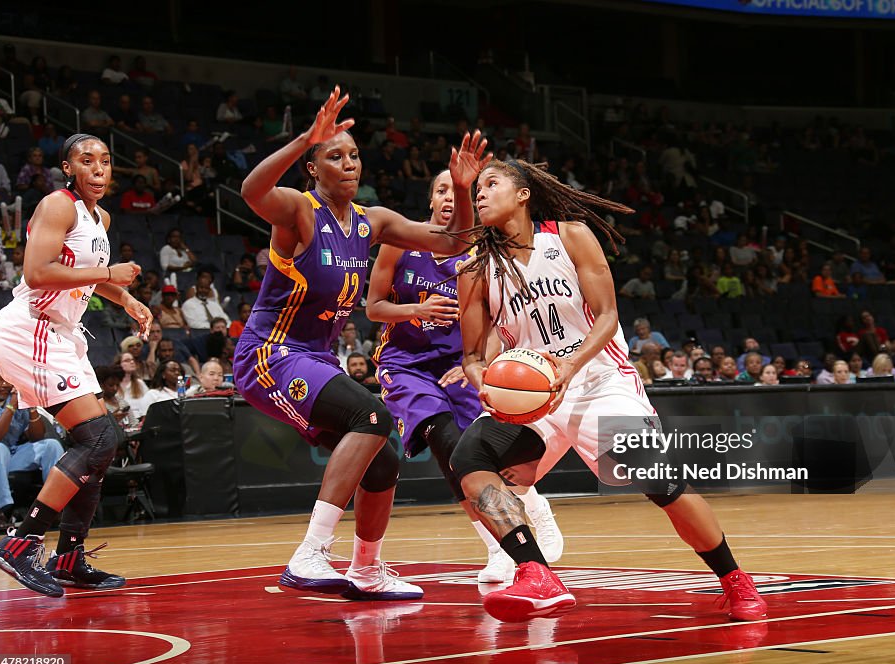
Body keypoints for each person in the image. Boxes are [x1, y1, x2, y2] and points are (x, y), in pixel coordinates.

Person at [449, 157, 767, 623]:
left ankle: (735, 580)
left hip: (599, 381)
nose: (480, 193)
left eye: (491, 183)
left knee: (663, 485)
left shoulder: (571, 235)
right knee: (468, 459)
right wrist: (487, 386)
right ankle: (536, 573)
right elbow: (473, 357)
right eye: (476, 188)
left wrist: (568, 366)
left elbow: (607, 317)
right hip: (533, 398)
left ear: (523, 194)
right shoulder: (475, 270)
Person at [234, 88, 491, 601]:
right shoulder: (299, 212)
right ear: (313, 168)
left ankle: (367, 570)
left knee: (386, 453)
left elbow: (454, 242)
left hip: (314, 358)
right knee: (373, 416)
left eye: (353, 155)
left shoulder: (372, 221)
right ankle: (310, 554)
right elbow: (251, 190)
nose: (348, 163)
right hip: (269, 353)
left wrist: (462, 188)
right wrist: (306, 137)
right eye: (334, 155)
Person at [367, 168, 564, 584]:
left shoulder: (480, 253)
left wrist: (474, 363)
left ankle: (534, 507)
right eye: (441, 190)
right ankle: (499, 547)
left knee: (481, 457)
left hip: (459, 365)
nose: (449, 199)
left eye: (456, 192)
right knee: (447, 442)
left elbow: (496, 320)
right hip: (406, 364)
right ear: (430, 200)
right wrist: (414, 311)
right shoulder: (399, 244)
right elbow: (374, 308)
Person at [0, 133, 151, 597]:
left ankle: (68, 557)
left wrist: (126, 298)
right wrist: (109, 274)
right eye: (87, 160)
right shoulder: (57, 205)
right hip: (30, 326)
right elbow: (38, 272)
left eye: (105, 161)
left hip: (59, 333)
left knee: (99, 446)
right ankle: (21, 543)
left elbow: (86, 277)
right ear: (68, 168)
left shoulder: (99, 216)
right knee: (99, 438)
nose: (98, 168)